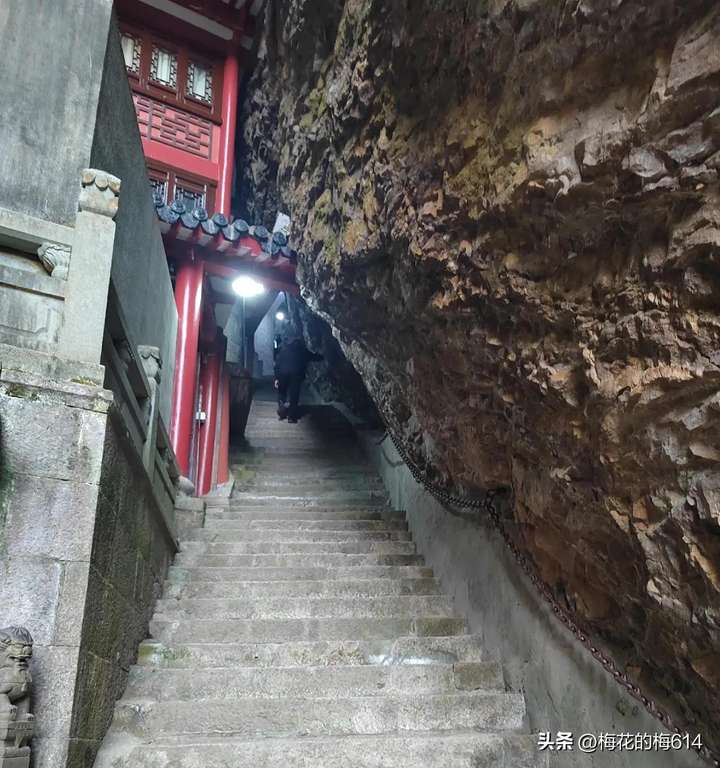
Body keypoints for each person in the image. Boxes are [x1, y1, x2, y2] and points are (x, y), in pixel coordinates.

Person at [274, 332, 323, 423]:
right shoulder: (302, 350)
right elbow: (313, 357)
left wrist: (276, 378)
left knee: (282, 392)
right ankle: (291, 417)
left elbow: (277, 364)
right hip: (296, 374)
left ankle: (282, 410)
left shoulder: (284, 349)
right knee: (294, 395)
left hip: (283, 373)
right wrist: (322, 356)